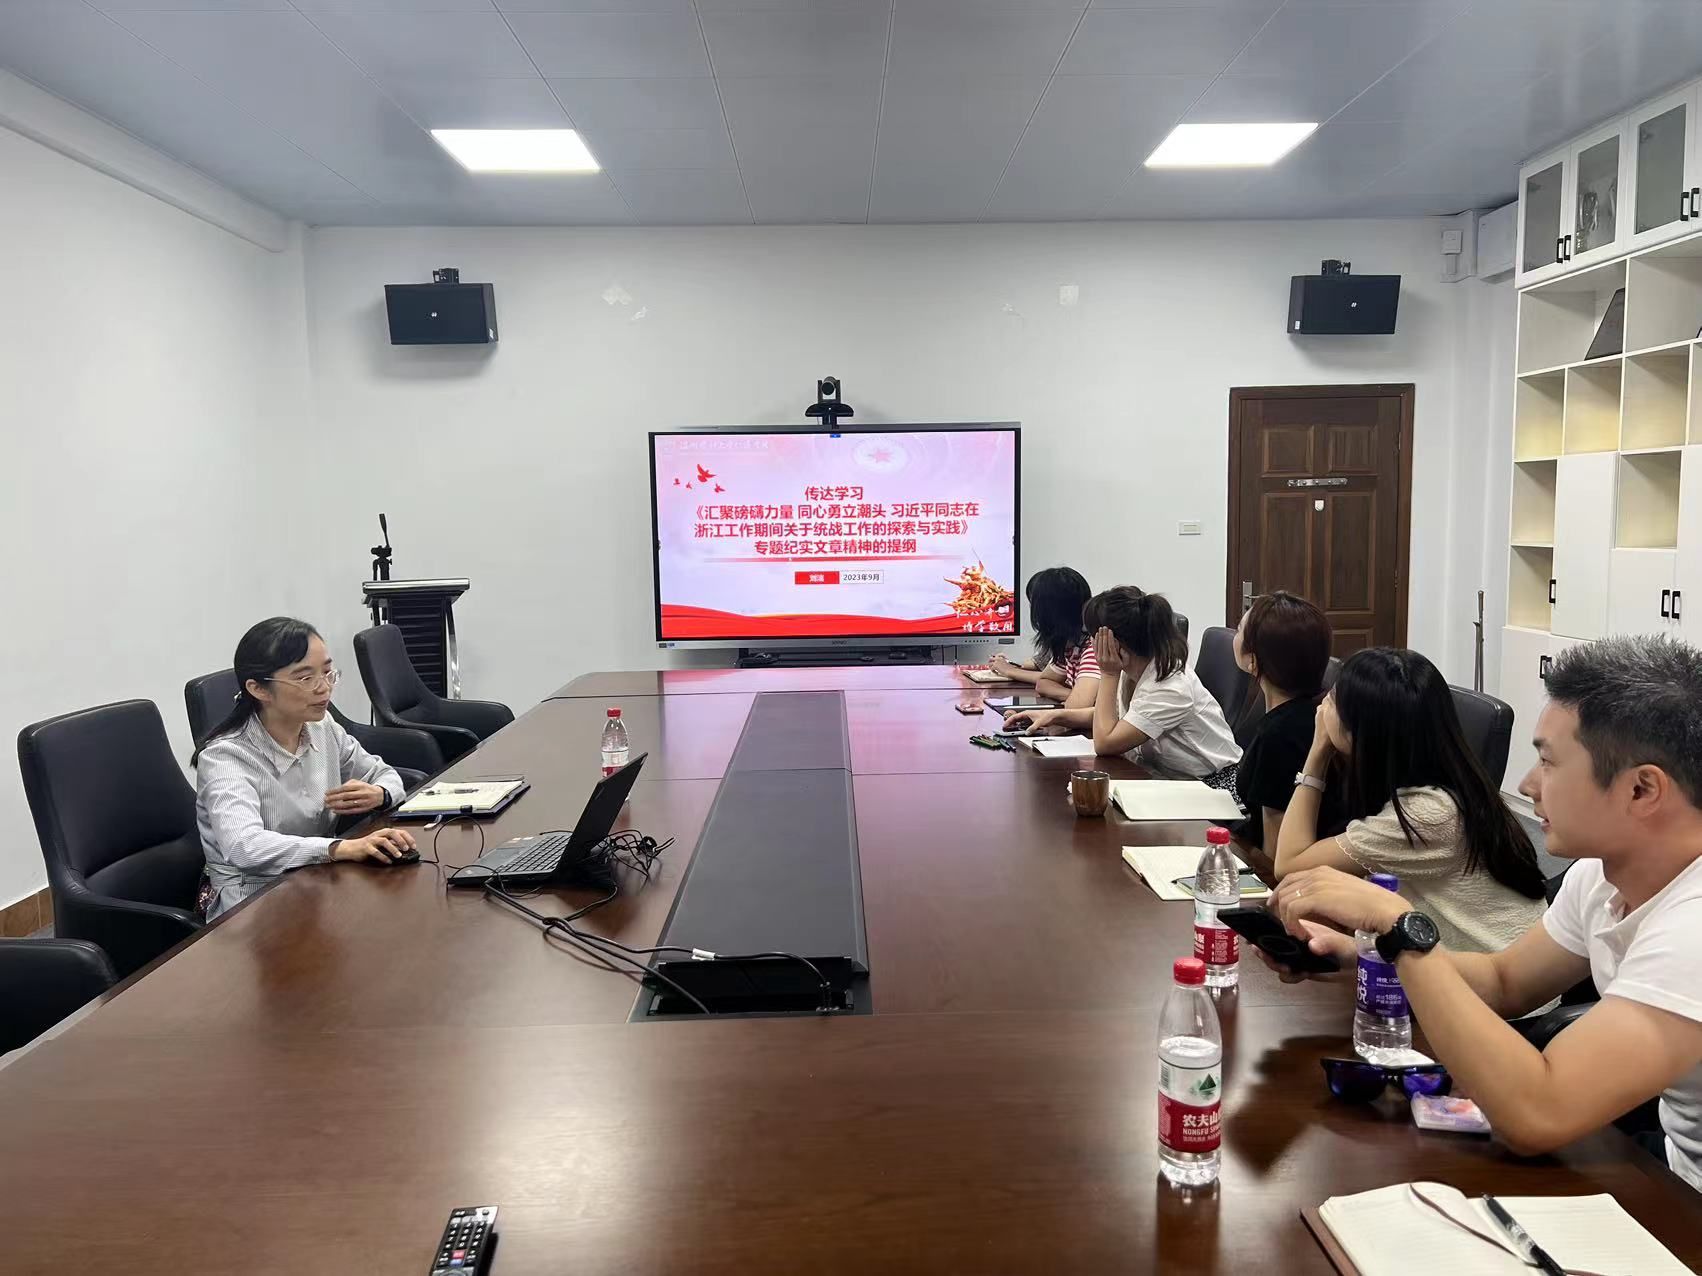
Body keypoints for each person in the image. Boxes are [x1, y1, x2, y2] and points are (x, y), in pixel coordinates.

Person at [1266, 635, 1702, 1187]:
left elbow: (1537, 1115)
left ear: (1642, 790)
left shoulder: (1691, 930)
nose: (1526, 784)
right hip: (1668, 1162)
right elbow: (1505, 980)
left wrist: (1399, 927)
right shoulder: (1602, 873)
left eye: (1548, 762)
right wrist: (1365, 953)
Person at [1272, 646, 1545, 955]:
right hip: (1467, 964)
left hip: (1498, 977)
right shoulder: (1446, 785)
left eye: (1333, 700)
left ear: (1362, 732)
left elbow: (1289, 864)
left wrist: (1317, 752)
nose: (1322, 706)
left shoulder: (1427, 815)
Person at [194, 617, 417, 920]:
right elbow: (245, 847)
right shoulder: (225, 756)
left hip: (316, 880)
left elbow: (384, 775)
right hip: (250, 901)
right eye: (305, 678)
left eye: (327, 672)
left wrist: (380, 794)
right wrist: (339, 848)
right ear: (258, 689)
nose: (323, 688)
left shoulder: (322, 727)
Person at [1006, 587, 1240, 784]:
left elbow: (1105, 743)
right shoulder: (1135, 667)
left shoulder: (1170, 686)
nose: (1090, 643)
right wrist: (1055, 717)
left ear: (1113, 642)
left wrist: (1108, 673)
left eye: (1094, 636)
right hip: (1164, 776)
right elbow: (1116, 717)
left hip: (1209, 786)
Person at [1229, 592, 1346, 873]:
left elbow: (1274, 857)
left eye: (1239, 629)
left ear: (1253, 661)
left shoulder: (1281, 735)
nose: (1234, 634)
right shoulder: (1316, 711)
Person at [988, 567, 1099, 707]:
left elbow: (1079, 705)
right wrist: (1076, 696)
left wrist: (1080, 698)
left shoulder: (1093, 646)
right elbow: (1043, 683)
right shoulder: (1069, 645)